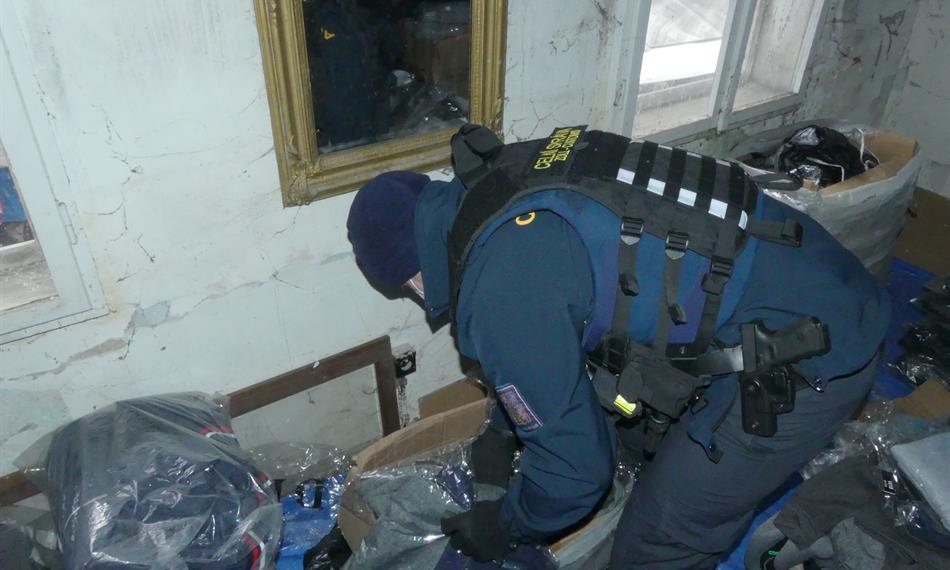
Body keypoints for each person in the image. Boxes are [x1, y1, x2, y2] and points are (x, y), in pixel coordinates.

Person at [345, 125, 890, 569]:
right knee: (623, 425)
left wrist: (505, 524)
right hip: (810, 269)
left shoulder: (499, 290)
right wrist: (503, 430)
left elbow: (577, 475)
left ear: (412, 273)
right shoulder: (509, 180)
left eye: (407, 289)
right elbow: (573, 313)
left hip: (805, 352)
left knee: (656, 540)